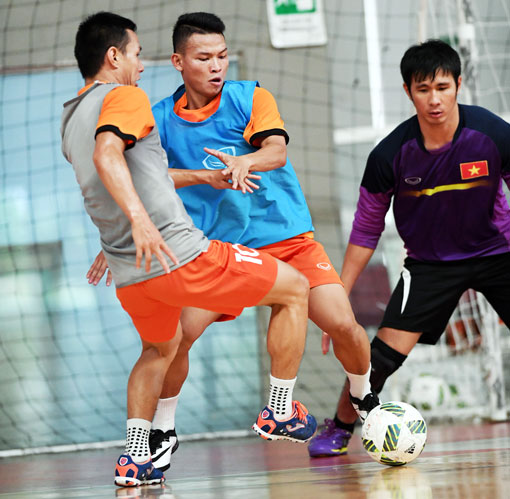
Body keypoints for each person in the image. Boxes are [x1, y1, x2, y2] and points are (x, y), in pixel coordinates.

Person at [87, 11, 378, 472]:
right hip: (218, 248)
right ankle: (164, 430)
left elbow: (276, 149)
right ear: (179, 62)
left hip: (287, 239)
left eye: (222, 55)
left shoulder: (251, 96)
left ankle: (364, 397)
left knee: (343, 324)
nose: (217, 65)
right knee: (175, 339)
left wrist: (247, 162)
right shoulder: (157, 117)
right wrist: (120, 235)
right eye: (205, 57)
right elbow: (148, 178)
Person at [307, 38, 510, 457]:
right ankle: (342, 425)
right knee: (380, 357)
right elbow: (366, 230)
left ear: (458, 84)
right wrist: (338, 295)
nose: (434, 99)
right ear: (408, 91)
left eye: (442, 87)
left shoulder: (492, 135)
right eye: (423, 89)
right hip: (430, 264)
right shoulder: (390, 155)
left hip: (498, 252)